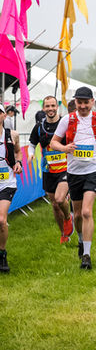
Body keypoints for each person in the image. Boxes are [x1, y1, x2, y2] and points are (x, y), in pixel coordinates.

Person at [50, 86, 96, 270]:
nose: (83, 106)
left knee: (87, 212)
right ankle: (80, 240)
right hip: (74, 172)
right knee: (77, 214)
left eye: (86, 102)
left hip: (94, 169)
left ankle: (87, 255)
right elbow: (53, 142)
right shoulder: (67, 120)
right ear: (75, 102)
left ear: (92, 102)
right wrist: (64, 148)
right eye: (80, 102)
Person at [27, 96, 74, 245]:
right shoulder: (39, 127)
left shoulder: (65, 123)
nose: (50, 109)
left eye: (53, 105)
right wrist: (31, 154)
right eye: (47, 106)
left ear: (57, 106)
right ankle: (63, 234)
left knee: (60, 199)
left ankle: (68, 218)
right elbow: (31, 144)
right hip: (48, 170)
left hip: (66, 168)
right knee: (54, 204)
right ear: (43, 108)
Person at [0, 104, 23, 273]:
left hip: (7, 182)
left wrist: (19, 163)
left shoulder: (12, 135)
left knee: (1, 220)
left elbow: (18, 152)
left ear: (4, 115)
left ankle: (2, 254)